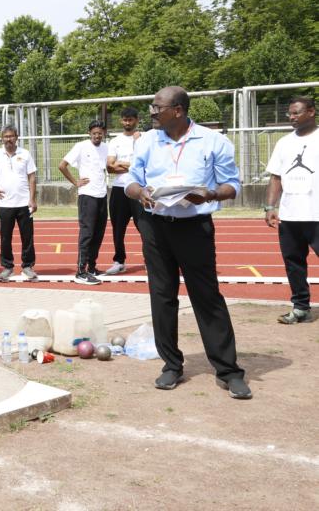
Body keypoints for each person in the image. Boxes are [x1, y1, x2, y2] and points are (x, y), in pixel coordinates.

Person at [126, 86, 250, 400]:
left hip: (195, 228)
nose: (152, 112)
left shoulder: (212, 141)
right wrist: (140, 192)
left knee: (206, 297)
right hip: (156, 227)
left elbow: (231, 185)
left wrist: (210, 194)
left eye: (157, 107)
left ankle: (228, 371)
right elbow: (130, 180)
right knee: (162, 296)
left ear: (178, 110)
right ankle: (171, 365)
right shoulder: (147, 141)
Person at [265, 96, 319, 324]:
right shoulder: (284, 143)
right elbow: (276, 176)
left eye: (296, 113)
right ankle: (300, 307)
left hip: (316, 214)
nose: (291, 117)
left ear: (311, 112)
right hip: (290, 215)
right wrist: (270, 206)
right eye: (290, 113)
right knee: (294, 264)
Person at [0, 125, 39, 282]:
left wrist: (32, 199)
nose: (9, 139)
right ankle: (7, 267)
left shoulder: (25, 154)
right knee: (5, 237)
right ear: (2, 138)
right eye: (6, 137)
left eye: (11, 136)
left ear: (16, 137)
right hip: (5, 204)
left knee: (27, 237)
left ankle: (27, 266)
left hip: (24, 203)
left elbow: (32, 177)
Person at [59, 120, 109, 285]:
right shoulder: (81, 146)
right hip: (87, 195)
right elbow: (62, 165)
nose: (97, 136)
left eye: (100, 133)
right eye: (94, 133)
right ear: (89, 133)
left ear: (104, 133)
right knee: (87, 233)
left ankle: (92, 267)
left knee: (99, 233)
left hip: (102, 195)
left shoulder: (106, 147)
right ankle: (81, 271)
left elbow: (109, 167)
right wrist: (75, 182)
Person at [105, 108, 143, 276]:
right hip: (119, 190)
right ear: (121, 121)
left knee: (146, 227)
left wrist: (122, 164)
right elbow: (110, 167)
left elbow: (145, 165)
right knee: (118, 229)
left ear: (136, 120)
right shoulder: (115, 141)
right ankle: (119, 261)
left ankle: (152, 259)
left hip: (139, 188)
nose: (128, 122)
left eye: (130, 119)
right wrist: (133, 165)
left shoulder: (143, 139)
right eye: (125, 119)